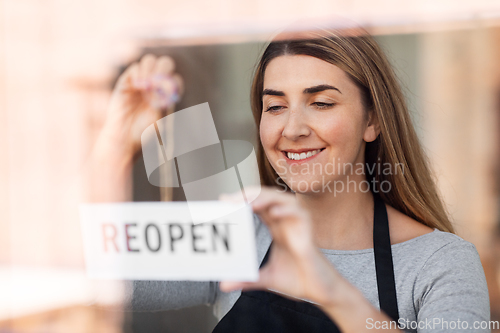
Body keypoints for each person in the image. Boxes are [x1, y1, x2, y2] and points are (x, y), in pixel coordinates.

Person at [87, 27, 490, 332]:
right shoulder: (241, 235)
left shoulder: (440, 263)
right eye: (275, 106)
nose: (292, 128)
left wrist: (329, 289)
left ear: (373, 120)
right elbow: (97, 274)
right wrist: (115, 142)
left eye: (321, 103)